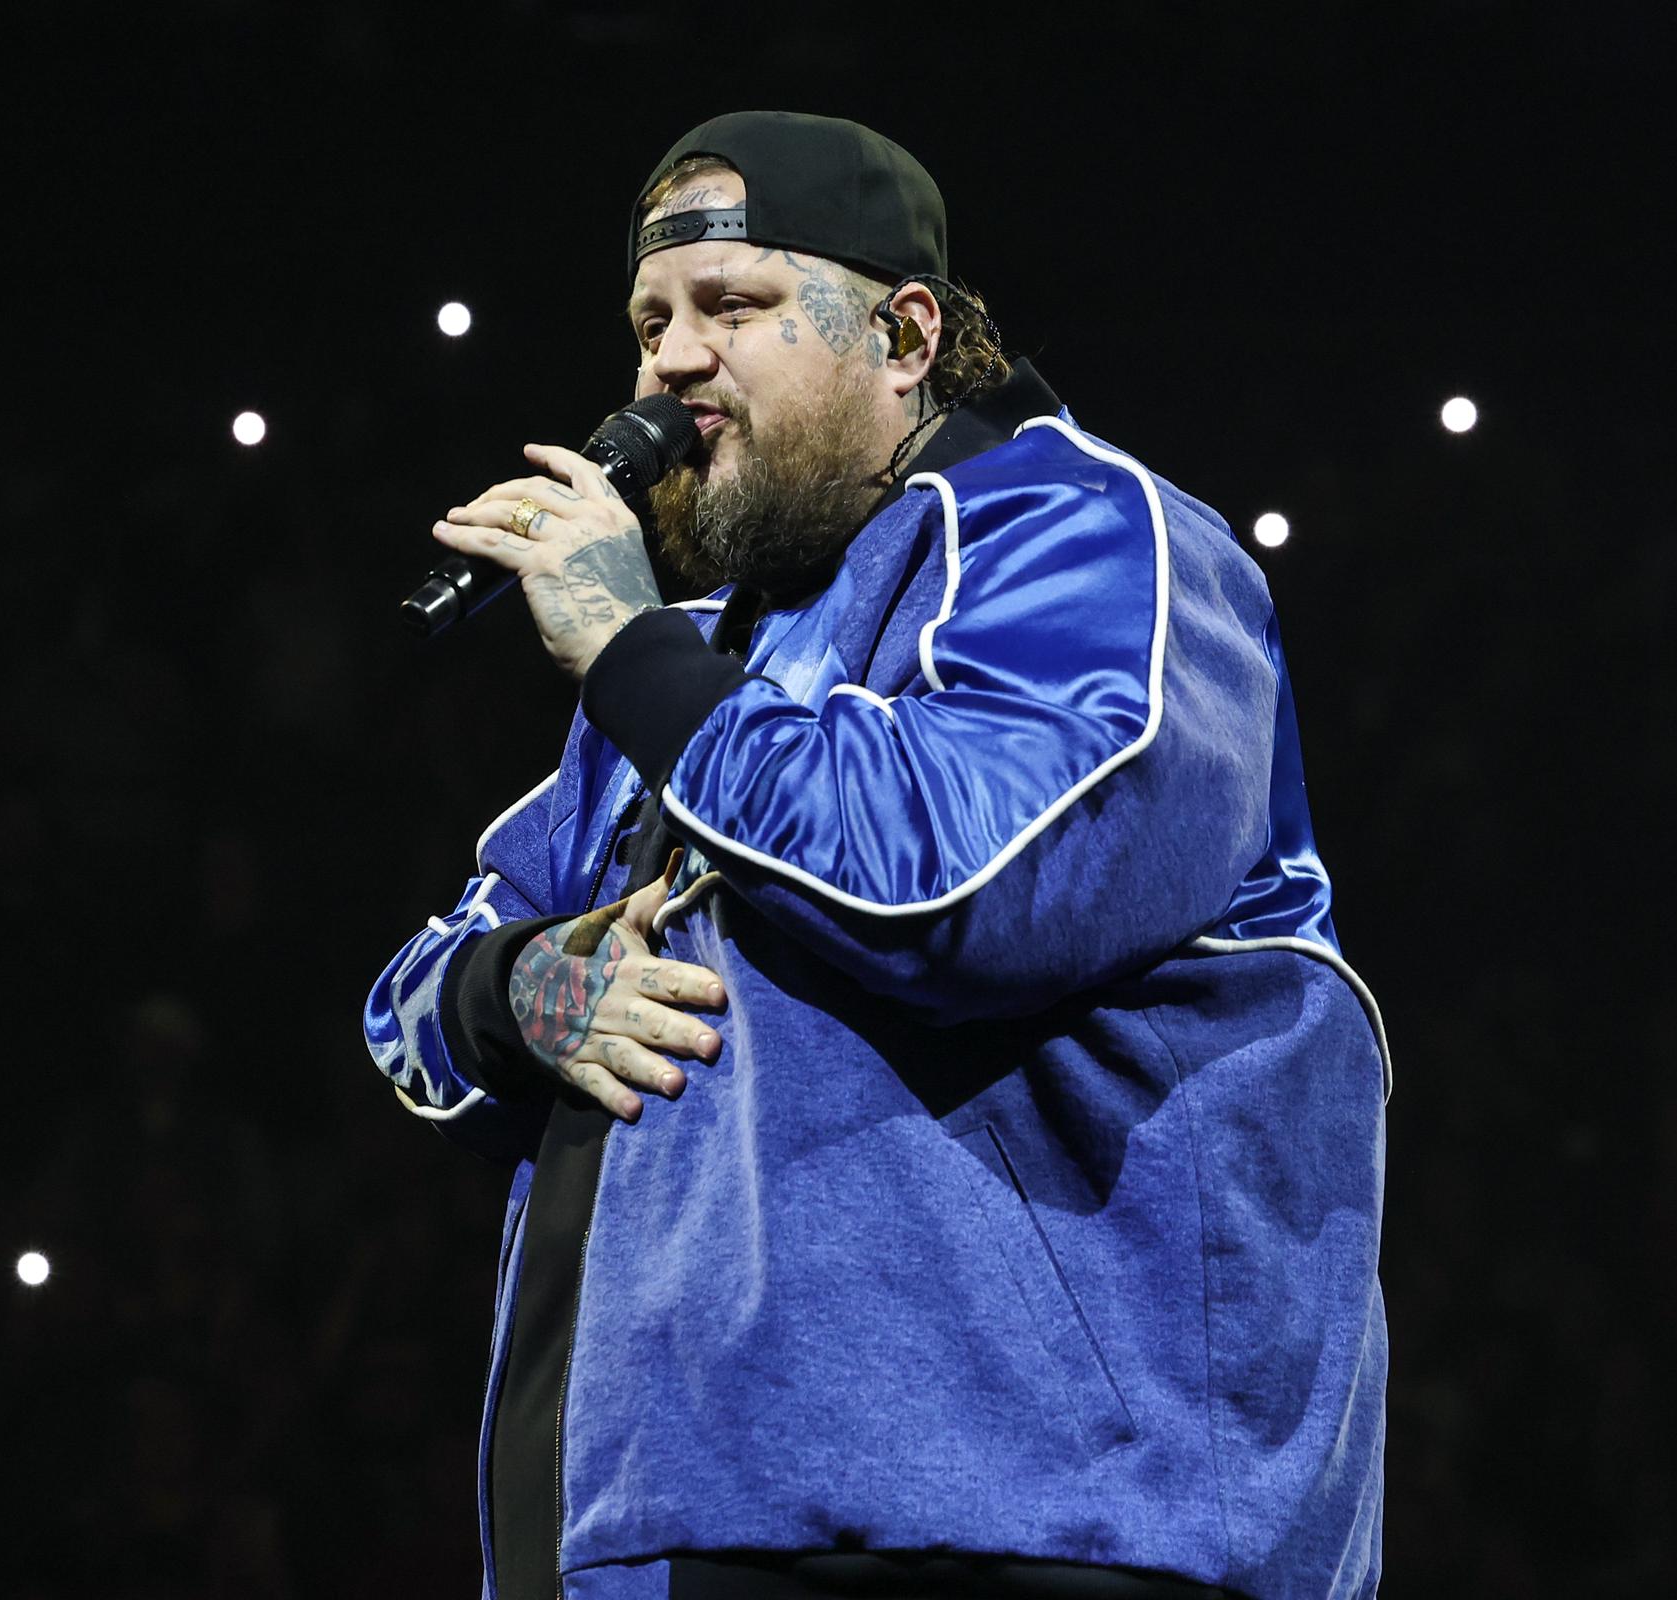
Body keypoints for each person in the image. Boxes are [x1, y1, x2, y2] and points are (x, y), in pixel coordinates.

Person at [365, 111, 1390, 1600]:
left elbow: (971, 887)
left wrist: (634, 656)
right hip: (660, 1520)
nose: (671, 361)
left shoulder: (1089, 534)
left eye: (735, 307)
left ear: (905, 333)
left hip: (1034, 1525)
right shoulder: (699, 654)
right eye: (651, 321)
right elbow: (414, 994)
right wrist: (521, 994)